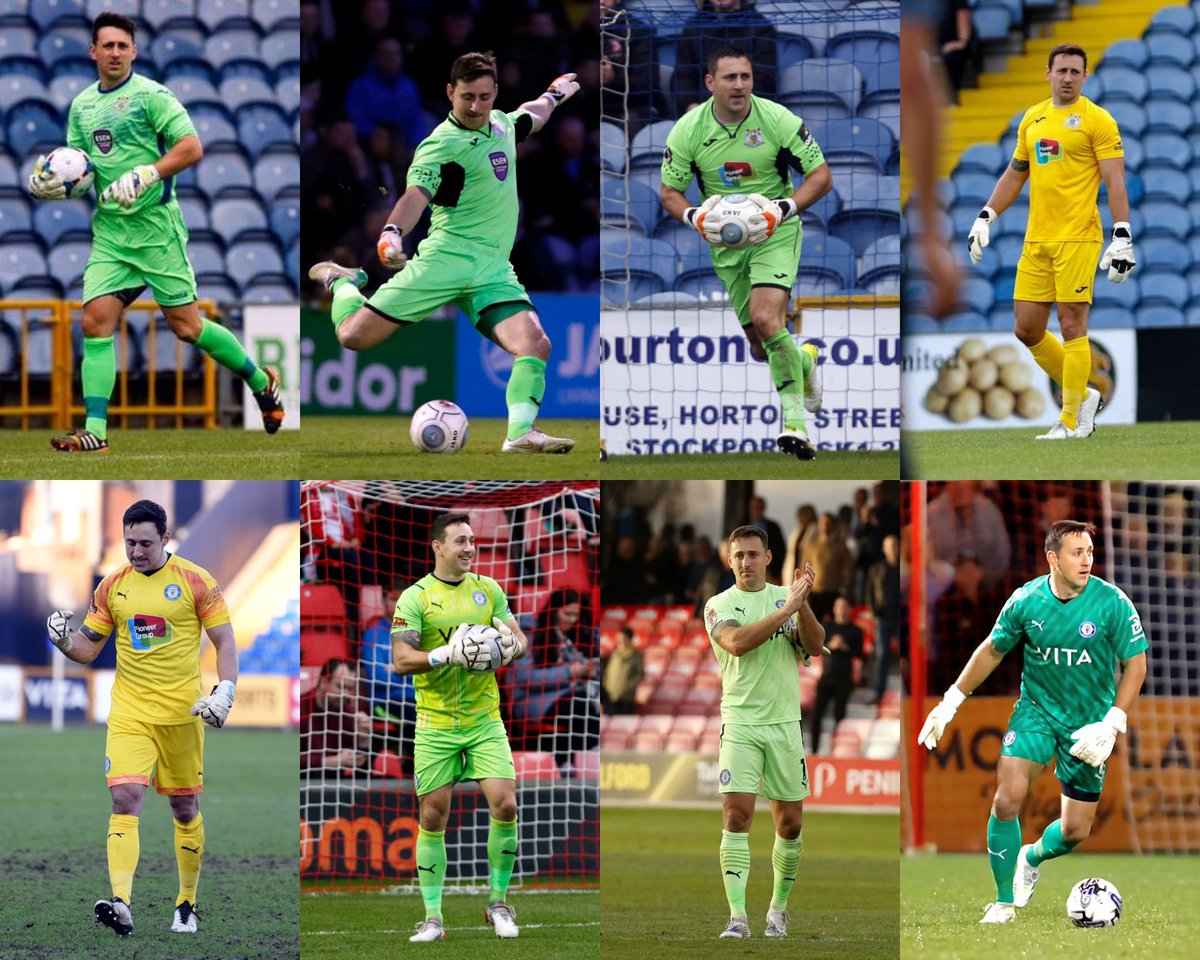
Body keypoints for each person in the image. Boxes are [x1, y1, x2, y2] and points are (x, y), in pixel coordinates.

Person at [29, 12, 283, 454]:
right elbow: (81, 166)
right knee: (95, 320)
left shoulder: (152, 96)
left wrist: (149, 172)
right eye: (106, 46)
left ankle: (260, 381)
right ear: (93, 52)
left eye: (121, 46)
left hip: (156, 230)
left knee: (187, 328)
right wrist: (55, 182)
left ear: (134, 51)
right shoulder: (82, 106)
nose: (114, 53)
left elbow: (191, 147)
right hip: (111, 232)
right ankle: (96, 431)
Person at [308, 51, 580, 454]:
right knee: (352, 336)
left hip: (492, 269)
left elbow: (532, 114)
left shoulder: (502, 125)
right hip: (446, 259)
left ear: (495, 93)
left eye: (485, 97)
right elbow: (416, 195)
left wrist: (555, 93)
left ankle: (520, 433)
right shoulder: (440, 145)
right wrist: (391, 233)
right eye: (467, 96)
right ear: (450, 92)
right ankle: (342, 281)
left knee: (535, 344)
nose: (476, 106)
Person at [919, 520, 1148, 924]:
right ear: (1052, 559)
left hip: (1088, 726)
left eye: (1091, 552)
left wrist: (1112, 723)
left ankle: (1032, 856)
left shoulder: (1112, 602)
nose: (1087, 560)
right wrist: (951, 701)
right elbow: (992, 650)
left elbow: (1136, 665)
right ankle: (1003, 902)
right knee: (1006, 797)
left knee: (1076, 831)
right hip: (1036, 712)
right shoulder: (1026, 600)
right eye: (1077, 553)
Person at [45, 499, 239, 937]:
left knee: (185, 807)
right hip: (130, 712)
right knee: (124, 798)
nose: (136, 551)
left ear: (165, 539)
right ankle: (121, 902)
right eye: (130, 542)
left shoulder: (194, 580)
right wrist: (62, 640)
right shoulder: (112, 586)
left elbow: (225, 641)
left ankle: (186, 904)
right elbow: (88, 646)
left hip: (182, 715)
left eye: (145, 543)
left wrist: (225, 690)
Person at [660, 46, 831, 460]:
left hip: (775, 230)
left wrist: (782, 209)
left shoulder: (777, 120)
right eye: (730, 77)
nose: (739, 85)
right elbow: (670, 193)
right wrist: (696, 218)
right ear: (710, 83)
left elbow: (821, 177)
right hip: (725, 244)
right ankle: (805, 362)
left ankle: (796, 426)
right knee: (760, 345)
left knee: (765, 316)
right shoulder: (688, 130)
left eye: (745, 77)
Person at [965, 43, 1130, 440]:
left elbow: (1114, 178)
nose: (1068, 78)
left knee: (1072, 324)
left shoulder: (1098, 120)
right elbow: (1015, 173)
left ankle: (1071, 418)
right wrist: (986, 214)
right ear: (1048, 73)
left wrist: (1121, 233)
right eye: (1062, 71)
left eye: (1076, 71)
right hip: (1037, 239)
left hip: (1078, 236)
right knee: (1026, 329)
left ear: (1085, 77)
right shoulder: (1033, 118)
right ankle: (1085, 393)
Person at [390, 512, 530, 941]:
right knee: (432, 815)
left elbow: (519, 640)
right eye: (460, 542)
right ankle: (433, 918)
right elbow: (400, 661)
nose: (469, 548)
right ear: (437, 546)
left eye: (472, 541)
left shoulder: (488, 591)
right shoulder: (415, 598)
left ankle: (499, 903)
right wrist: (445, 655)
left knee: (505, 804)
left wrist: (509, 647)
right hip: (434, 722)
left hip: (484, 717)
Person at [703, 526, 825, 939]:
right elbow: (737, 643)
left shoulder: (786, 597)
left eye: (753, 554)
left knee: (790, 824)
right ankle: (737, 917)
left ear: (768, 557)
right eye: (738, 555)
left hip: (785, 725)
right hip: (739, 724)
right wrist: (785, 610)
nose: (745, 562)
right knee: (736, 816)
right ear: (729, 559)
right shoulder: (719, 605)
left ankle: (777, 911)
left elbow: (815, 643)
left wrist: (801, 605)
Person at [675, 1, 777, 115]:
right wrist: (692, 107)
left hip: (748, 112)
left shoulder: (760, 27)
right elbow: (682, 77)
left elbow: (765, 79)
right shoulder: (692, 28)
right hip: (701, 113)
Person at [300, 658, 374, 773]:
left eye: (350, 688)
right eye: (340, 687)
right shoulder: (299, 709)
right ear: (324, 682)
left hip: (334, 783)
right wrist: (328, 762)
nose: (345, 694)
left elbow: (360, 768)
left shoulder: (348, 713)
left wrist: (363, 740)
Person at [809, 596, 863, 751]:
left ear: (850, 610)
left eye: (845, 606)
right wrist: (832, 645)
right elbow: (816, 647)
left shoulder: (855, 630)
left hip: (844, 678)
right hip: (827, 676)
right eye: (838, 606)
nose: (841, 610)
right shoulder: (826, 627)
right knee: (816, 714)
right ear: (834, 609)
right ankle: (814, 750)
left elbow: (860, 655)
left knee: (840, 716)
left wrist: (844, 646)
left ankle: (837, 751)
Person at [866, 533, 901, 703]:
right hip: (884, 617)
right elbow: (870, 592)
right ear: (884, 549)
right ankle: (878, 694)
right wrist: (874, 611)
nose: (893, 549)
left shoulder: (905, 569)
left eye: (895, 545)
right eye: (890, 546)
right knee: (881, 655)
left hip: (901, 617)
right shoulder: (877, 569)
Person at [803, 513, 854, 621]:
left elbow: (849, 568)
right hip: (816, 591)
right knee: (814, 622)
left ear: (834, 525)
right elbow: (805, 566)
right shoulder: (813, 545)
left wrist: (845, 587)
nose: (825, 526)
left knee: (834, 624)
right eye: (822, 523)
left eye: (828, 523)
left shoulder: (840, 545)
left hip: (834, 591)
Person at [602, 625, 643, 714]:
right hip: (611, 697)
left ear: (630, 639)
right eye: (619, 639)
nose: (620, 642)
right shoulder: (614, 655)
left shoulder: (636, 656)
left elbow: (640, 675)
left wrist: (625, 688)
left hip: (626, 699)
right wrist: (608, 687)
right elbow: (608, 673)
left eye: (623, 639)